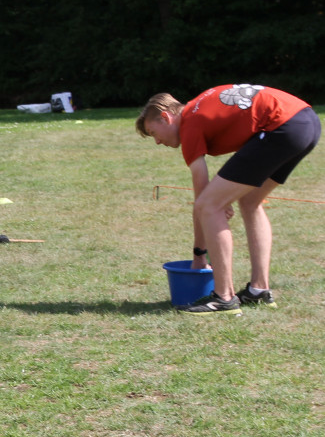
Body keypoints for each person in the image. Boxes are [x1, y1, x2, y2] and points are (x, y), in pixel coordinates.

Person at [137, 85, 320, 314]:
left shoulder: (189, 123)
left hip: (281, 126)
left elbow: (202, 200)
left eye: (154, 133)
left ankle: (223, 297)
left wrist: (199, 255)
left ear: (166, 117)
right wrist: (221, 200)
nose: (157, 141)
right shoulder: (198, 109)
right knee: (250, 201)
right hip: (307, 122)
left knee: (209, 206)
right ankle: (258, 291)